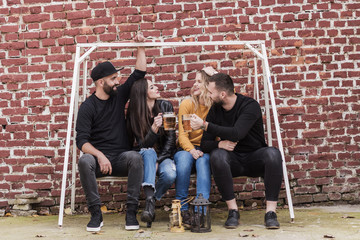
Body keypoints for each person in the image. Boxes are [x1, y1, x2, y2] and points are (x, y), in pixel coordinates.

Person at [193, 72, 283, 229]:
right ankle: (233, 211)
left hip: (254, 158)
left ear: (222, 94)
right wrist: (219, 145)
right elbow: (204, 144)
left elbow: (237, 133)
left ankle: (271, 213)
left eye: (210, 92)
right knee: (217, 155)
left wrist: (205, 125)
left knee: (273, 153)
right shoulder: (215, 110)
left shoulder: (250, 105)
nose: (208, 95)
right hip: (231, 160)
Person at [75, 32, 146, 232]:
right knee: (84, 160)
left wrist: (140, 46)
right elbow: (81, 141)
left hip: (121, 158)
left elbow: (139, 73)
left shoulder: (119, 95)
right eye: (113, 78)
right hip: (99, 161)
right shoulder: (88, 107)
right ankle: (96, 214)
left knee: (135, 157)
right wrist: (100, 155)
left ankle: (131, 213)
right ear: (100, 83)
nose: (118, 81)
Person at [126, 78, 177, 227]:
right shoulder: (134, 113)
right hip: (145, 156)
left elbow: (171, 140)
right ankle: (149, 206)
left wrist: (158, 160)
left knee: (170, 174)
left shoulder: (165, 106)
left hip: (164, 155)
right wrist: (154, 129)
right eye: (152, 87)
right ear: (143, 93)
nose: (157, 88)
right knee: (149, 153)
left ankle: (151, 201)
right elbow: (142, 145)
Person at [173, 67, 215, 228]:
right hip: (186, 148)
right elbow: (183, 135)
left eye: (199, 81)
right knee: (183, 161)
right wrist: (191, 150)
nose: (194, 84)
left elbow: (229, 88)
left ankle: (200, 212)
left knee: (204, 163)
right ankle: (183, 210)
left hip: (206, 148)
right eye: (194, 81)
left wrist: (216, 76)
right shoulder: (188, 104)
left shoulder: (214, 107)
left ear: (209, 85)